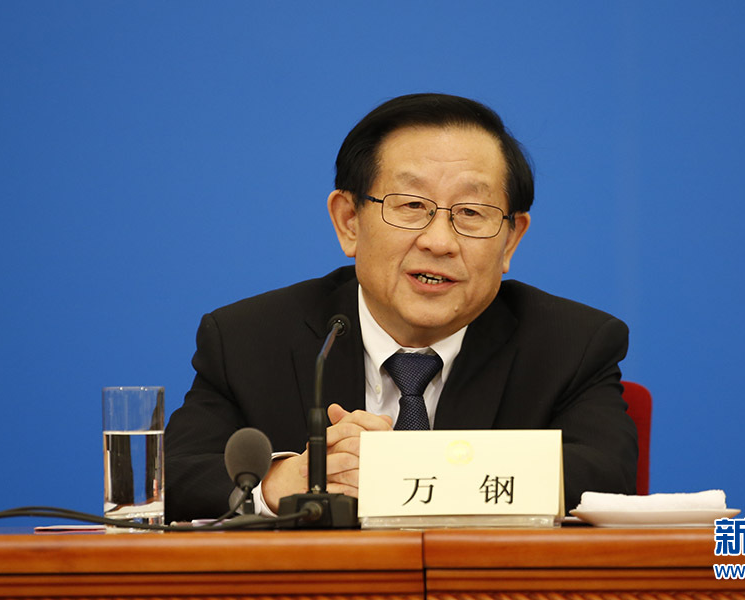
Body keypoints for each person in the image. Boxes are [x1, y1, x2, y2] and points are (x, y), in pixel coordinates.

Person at [165, 93, 638, 522]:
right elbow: (172, 480)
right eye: (411, 205)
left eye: (471, 213)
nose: (439, 241)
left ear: (511, 240)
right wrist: (281, 482)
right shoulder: (249, 339)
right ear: (349, 222)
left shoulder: (571, 345)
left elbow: (604, 479)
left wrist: (398, 471)